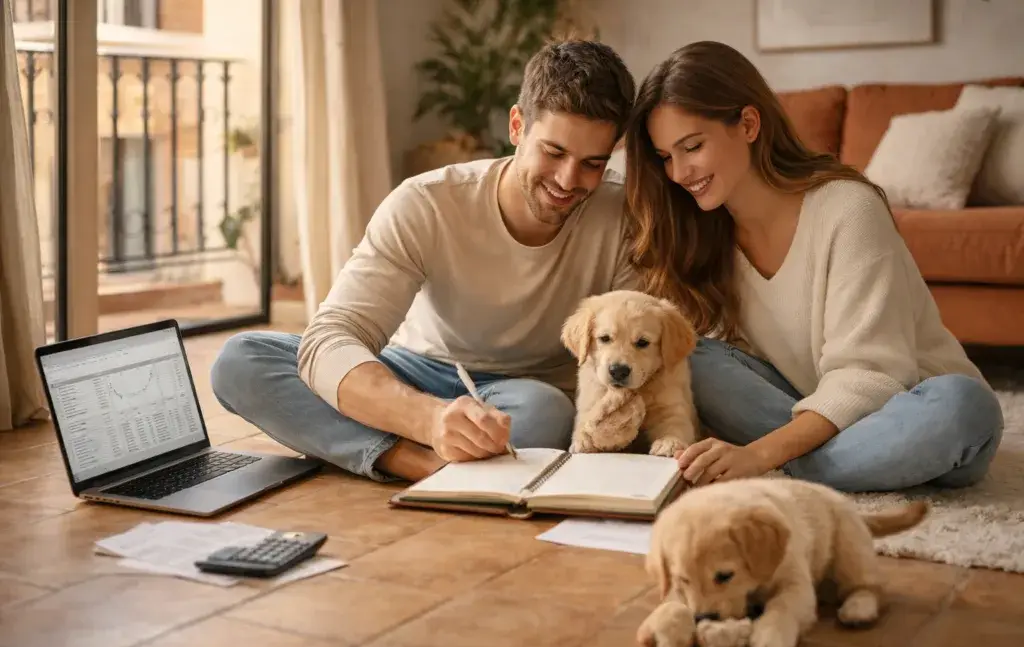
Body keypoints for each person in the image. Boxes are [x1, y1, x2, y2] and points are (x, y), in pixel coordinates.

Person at [210, 39, 640, 482]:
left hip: (522, 397)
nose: (569, 181)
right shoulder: (426, 203)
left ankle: (355, 443)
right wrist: (428, 420)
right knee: (241, 360)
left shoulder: (622, 219)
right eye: (553, 153)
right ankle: (418, 463)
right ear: (517, 126)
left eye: (592, 163)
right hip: (415, 370)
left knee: (546, 413)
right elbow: (330, 337)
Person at [622, 40, 1004, 493]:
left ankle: (799, 465)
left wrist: (759, 455)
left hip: (908, 409)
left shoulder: (848, 209)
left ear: (747, 124)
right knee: (686, 353)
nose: (679, 173)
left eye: (692, 147)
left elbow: (873, 375)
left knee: (966, 404)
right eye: (666, 157)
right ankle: (825, 460)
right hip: (809, 407)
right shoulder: (704, 231)